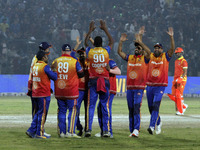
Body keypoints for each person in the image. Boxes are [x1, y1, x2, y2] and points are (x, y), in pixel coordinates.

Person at [117, 26, 151, 138]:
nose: (137, 49)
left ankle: (136, 129)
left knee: (136, 108)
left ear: (141, 50)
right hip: (130, 88)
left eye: (139, 48)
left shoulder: (144, 59)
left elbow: (149, 51)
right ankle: (132, 130)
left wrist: (140, 41)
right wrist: (121, 42)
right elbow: (119, 52)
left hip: (139, 88)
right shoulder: (130, 57)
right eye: (136, 47)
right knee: (131, 109)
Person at [84, 19, 114, 137]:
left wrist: (89, 31)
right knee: (105, 105)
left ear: (94, 43)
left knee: (90, 106)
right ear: (102, 43)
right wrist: (105, 29)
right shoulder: (106, 51)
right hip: (105, 81)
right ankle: (106, 131)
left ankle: (88, 129)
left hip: (93, 81)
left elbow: (86, 43)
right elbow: (111, 41)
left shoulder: (90, 51)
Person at [146, 27, 175, 135]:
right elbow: (146, 51)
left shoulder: (165, 56)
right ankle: (158, 122)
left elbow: (172, 49)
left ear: (162, 50)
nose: (156, 49)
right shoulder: (151, 56)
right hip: (149, 85)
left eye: (158, 48)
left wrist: (171, 37)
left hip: (160, 86)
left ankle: (151, 126)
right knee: (150, 108)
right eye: (155, 48)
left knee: (156, 105)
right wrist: (139, 40)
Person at [52, 43, 84, 138]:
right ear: (69, 51)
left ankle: (62, 132)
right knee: (72, 110)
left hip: (59, 90)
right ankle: (71, 132)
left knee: (61, 111)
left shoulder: (55, 61)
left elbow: (52, 74)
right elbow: (81, 74)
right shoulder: (74, 61)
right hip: (71, 91)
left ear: (62, 51)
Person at [26, 50, 57, 139]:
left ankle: (31, 130)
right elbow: (55, 77)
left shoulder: (35, 66)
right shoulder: (45, 67)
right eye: (46, 56)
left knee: (38, 113)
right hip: (43, 94)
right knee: (42, 113)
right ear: (43, 57)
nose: (47, 57)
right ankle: (39, 133)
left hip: (35, 93)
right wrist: (54, 69)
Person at [95, 59, 121, 138]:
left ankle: (109, 131)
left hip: (110, 89)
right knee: (100, 108)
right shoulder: (98, 62)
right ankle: (103, 131)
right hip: (103, 89)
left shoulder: (109, 61)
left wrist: (109, 70)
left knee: (106, 108)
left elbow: (118, 71)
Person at [167, 47, 188, 115]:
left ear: (181, 53)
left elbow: (185, 72)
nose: (177, 54)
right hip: (175, 80)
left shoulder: (183, 61)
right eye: (176, 53)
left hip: (181, 80)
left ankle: (181, 111)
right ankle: (184, 106)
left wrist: (180, 78)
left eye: (178, 53)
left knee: (179, 95)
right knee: (173, 95)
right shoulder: (176, 61)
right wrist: (175, 79)